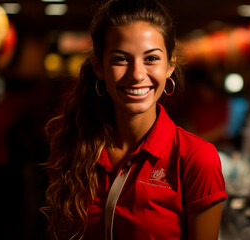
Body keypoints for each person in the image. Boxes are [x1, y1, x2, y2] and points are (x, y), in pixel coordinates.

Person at [42, 0, 227, 239]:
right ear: (99, 67)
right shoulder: (72, 147)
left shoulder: (196, 158)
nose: (137, 74)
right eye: (121, 59)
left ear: (170, 65)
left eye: (151, 59)